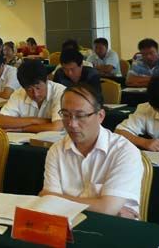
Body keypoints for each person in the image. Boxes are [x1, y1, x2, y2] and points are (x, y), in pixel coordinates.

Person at [40, 84, 142, 219]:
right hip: (68, 223)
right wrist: (103, 207)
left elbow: (107, 209)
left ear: (100, 116)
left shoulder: (124, 152)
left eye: (80, 116)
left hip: (111, 227)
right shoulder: (57, 150)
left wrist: (107, 208)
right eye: (66, 115)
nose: (72, 124)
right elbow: (48, 201)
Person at [0, 60, 65, 132]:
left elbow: (56, 127)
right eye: (29, 89)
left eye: (38, 88)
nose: (35, 94)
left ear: (47, 80)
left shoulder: (61, 92)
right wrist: (35, 120)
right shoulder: (19, 93)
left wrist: (22, 129)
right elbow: (0, 121)